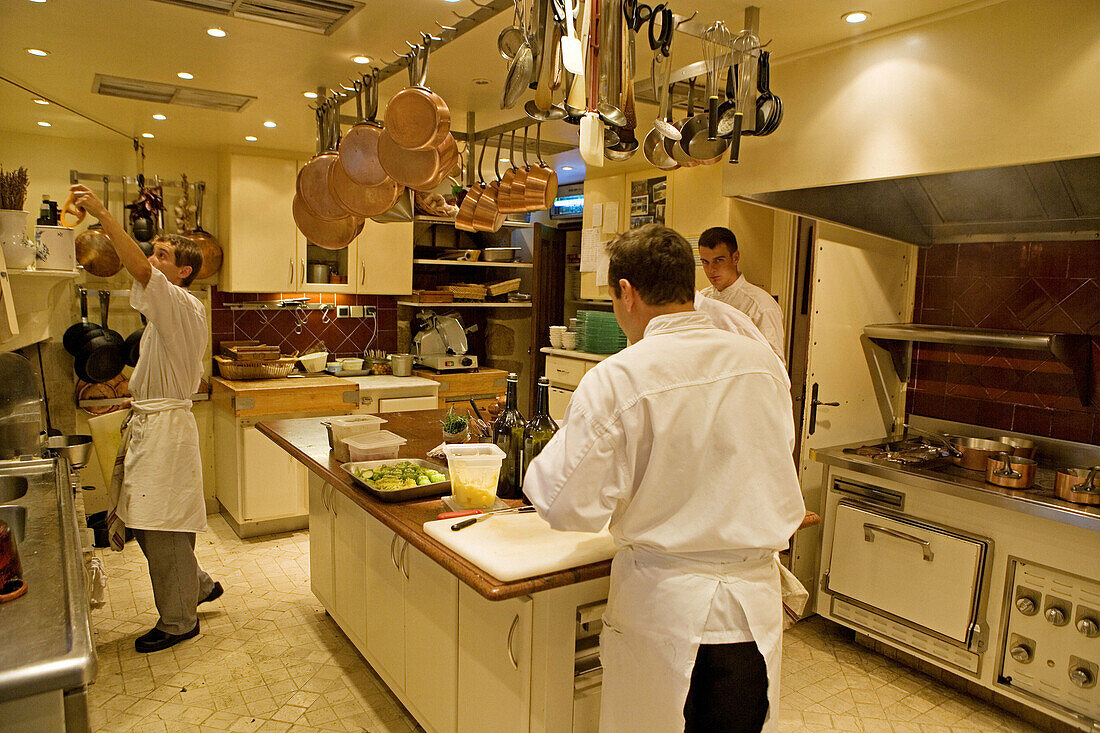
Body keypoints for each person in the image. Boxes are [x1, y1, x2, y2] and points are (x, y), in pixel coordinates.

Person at [524, 224, 805, 732]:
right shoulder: (763, 364)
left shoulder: (619, 377)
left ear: (626, 293)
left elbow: (566, 504)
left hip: (665, 612)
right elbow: (771, 456)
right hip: (752, 612)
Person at [70, 184, 222, 653]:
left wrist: (100, 211)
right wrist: (134, 403)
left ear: (183, 272)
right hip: (153, 426)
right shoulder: (165, 318)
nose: (149, 261)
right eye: (152, 252)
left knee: (161, 525)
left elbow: (134, 266)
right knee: (150, 519)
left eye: (160, 254)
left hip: (165, 436)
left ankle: (180, 622)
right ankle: (195, 586)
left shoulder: (182, 303)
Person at [698, 226, 786, 364]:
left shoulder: (760, 305)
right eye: (705, 262)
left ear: (735, 257)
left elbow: (774, 362)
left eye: (718, 260)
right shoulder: (702, 299)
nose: (711, 269)